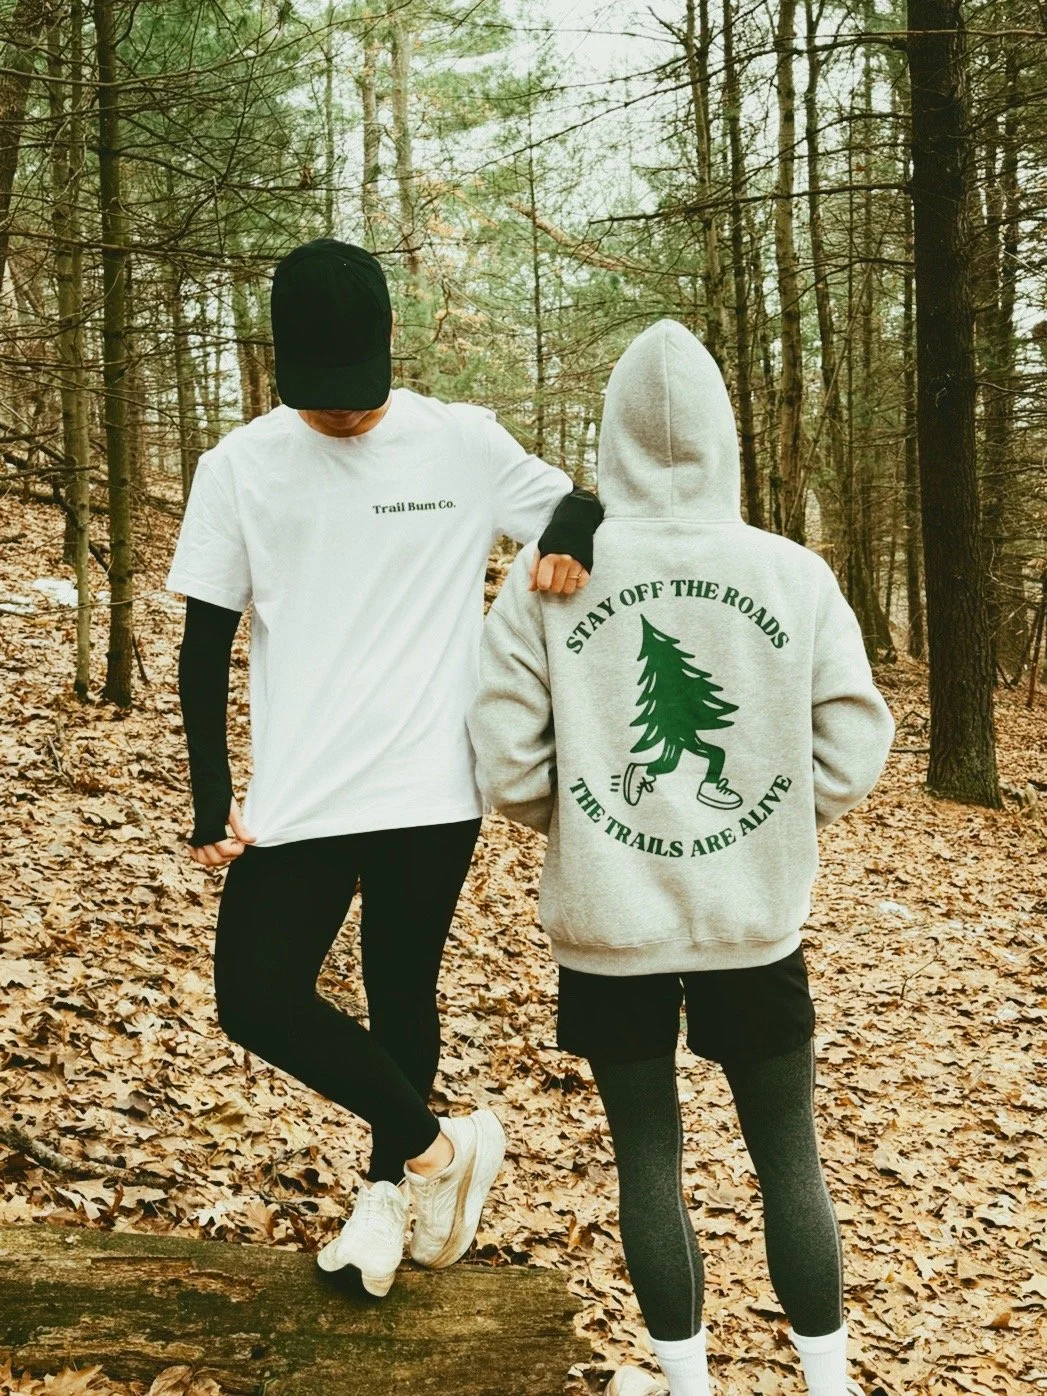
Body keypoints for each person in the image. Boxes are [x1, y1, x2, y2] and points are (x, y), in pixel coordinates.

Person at [164, 239, 603, 1299]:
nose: (348, 417)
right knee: (254, 997)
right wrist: (213, 792)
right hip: (304, 791)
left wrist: (571, 540)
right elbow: (202, 642)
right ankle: (440, 1150)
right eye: (326, 399)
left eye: (360, 395)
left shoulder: (460, 442)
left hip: (431, 784)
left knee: (402, 990)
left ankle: (385, 1201)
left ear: (389, 347)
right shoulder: (239, 467)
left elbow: (578, 500)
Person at [467, 319, 894, 1396]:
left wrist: (576, 822)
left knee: (647, 1161)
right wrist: (777, 822)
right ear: (725, 438)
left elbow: (508, 760)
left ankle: (686, 1383)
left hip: (611, 925)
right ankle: (831, 1384)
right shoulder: (789, 572)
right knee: (788, 1158)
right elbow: (855, 741)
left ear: (608, 438)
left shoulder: (552, 575)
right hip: (755, 921)